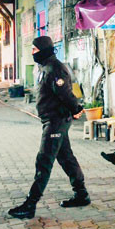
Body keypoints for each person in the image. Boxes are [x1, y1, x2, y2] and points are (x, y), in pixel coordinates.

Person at [8, 36, 90, 219]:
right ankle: (81, 194)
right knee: (66, 158)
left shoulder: (54, 68)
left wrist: (76, 109)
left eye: (35, 50)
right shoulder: (45, 67)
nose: (32, 53)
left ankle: (30, 204)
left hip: (56, 121)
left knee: (44, 160)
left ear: (44, 50)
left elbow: (65, 93)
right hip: (52, 120)